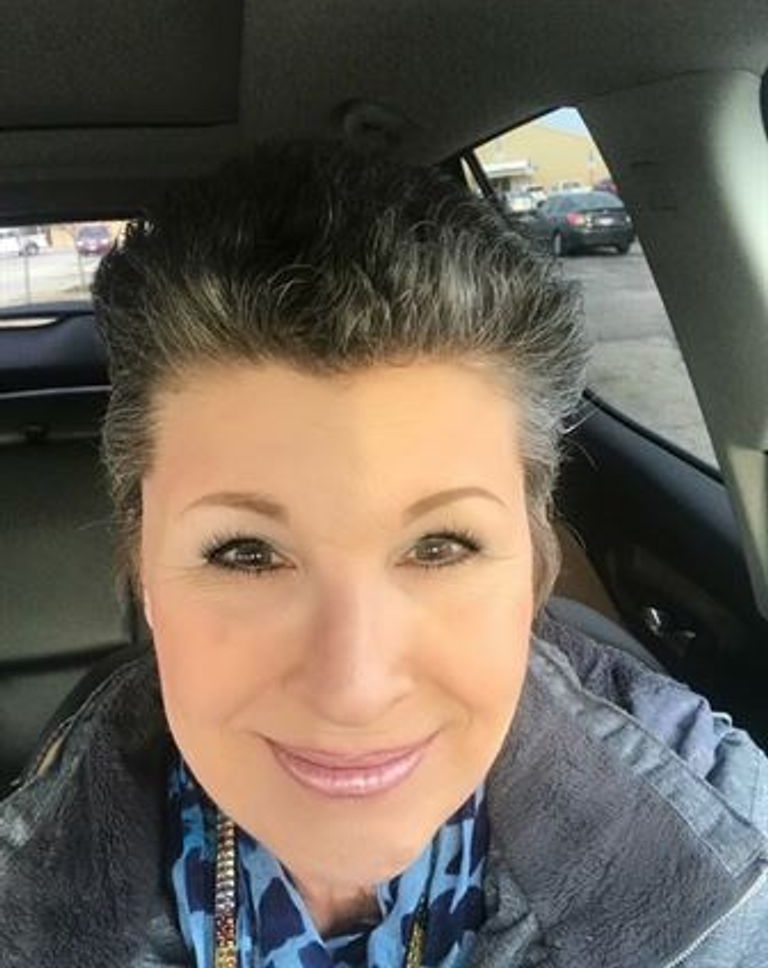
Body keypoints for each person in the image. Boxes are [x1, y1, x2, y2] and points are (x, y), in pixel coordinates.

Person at [1, 142, 766, 968]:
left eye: (441, 546)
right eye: (247, 553)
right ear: (144, 574)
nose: (354, 691)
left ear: (534, 564)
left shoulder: (732, 851)